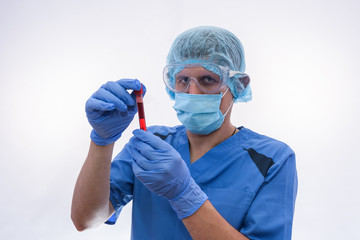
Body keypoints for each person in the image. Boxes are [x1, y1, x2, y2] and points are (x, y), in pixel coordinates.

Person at [71, 26, 298, 240]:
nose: (193, 92)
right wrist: (102, 141)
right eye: (182, 80)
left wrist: (184, 194)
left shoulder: (272, 160)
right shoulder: (150, 145)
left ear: (238, 84)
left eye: (208, 80)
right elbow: (86, 219)